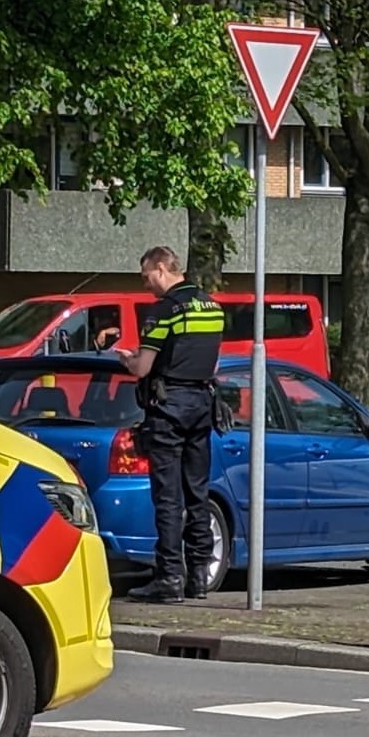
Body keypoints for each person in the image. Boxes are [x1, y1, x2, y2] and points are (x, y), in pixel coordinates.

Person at [118, 246, 224, 604]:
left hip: (168, 407)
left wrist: (128, 360)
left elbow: (143, 368)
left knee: (167, 498)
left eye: (147, 277)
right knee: (198, 493)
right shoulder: (212, 306)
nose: (147, 285)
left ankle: (169, 578)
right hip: (201, 405)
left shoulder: (164, 310)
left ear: (162, 269)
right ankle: (199, 576)